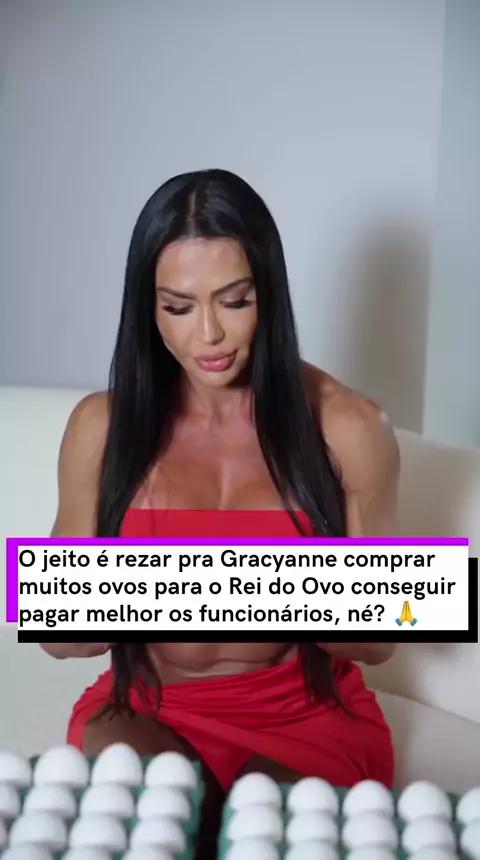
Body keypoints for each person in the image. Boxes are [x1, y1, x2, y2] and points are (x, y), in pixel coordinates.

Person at [43, 169, 399, 808]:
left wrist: (226, 586)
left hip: (305, 715)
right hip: (146, 707)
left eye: (234, 301)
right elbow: (61, 636)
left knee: (263, 824)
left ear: (269, 294)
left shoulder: (350, 426)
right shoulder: (101, 426)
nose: (208, 334)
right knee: (148, 814)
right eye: (178, 307)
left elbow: (379, 642)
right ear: (147, 307)